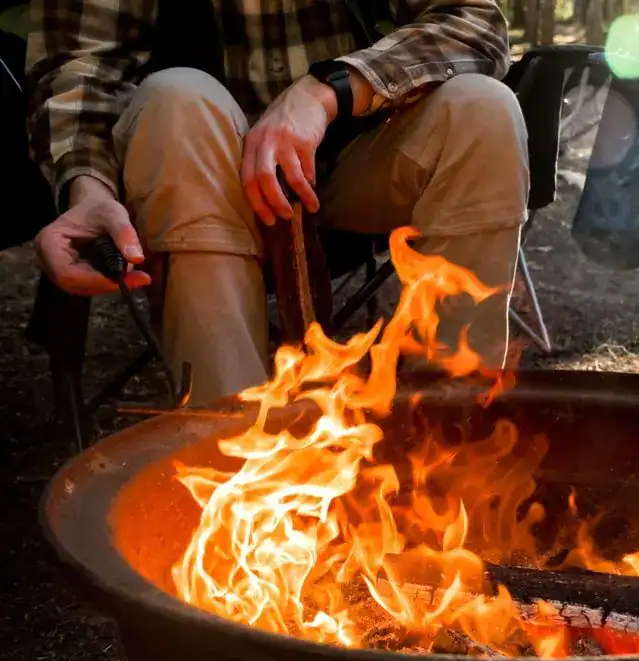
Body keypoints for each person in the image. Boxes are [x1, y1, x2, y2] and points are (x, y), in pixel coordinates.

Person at [25, 0, 529, 405]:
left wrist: (325, 90)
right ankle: (229, 457)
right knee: (176, 97)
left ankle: (451, 449)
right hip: (196, 169)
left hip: (353, 160)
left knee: (484, 109)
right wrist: (86, 188)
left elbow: (472, 21)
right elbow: (82, 66)